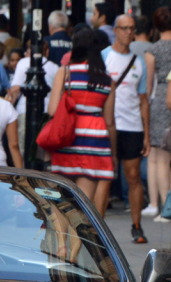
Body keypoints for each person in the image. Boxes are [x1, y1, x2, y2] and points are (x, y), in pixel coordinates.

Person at [49, 30, 116, 214]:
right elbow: (109, 120)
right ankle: (82, 241)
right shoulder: (107, 79)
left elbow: (52, 110)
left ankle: (63, 242)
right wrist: (113, 153)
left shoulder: (65, 72)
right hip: (95, 141)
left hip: (68, 138)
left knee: (62, 202)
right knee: (85, 205)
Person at [104, 15, 150, 243]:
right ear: (115, 30)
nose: (129, 33)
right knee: (104, 178)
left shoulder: (139, 61)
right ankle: (99, 229)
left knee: (133, 177)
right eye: (124, 28)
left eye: (132, 29)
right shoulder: (104, 56)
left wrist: (147, 134)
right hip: (107, 125)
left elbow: (144, 101)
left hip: (132, 126)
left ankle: (137, 225)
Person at [144, 6, 171, 220]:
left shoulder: (153, 50)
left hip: (160, 100)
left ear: (156, 27)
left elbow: (150, 85)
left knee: (159, 156)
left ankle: (164, 206)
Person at [8, 38, 58, 153]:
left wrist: (9, 107)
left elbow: (15, 89)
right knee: (40, 153)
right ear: (47, 51)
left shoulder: (23, 63)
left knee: (23, 148)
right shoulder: (54, 67)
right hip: (46, 113)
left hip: (24, 111)